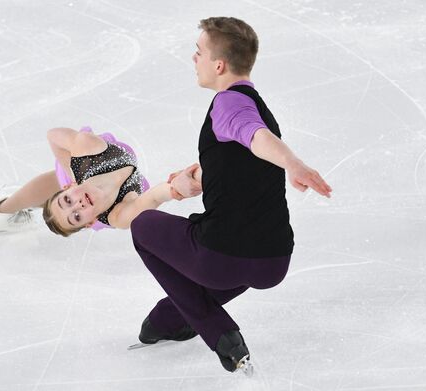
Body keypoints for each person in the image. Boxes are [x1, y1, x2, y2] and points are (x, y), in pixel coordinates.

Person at [129, 17, 333, 375]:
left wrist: (294, 164)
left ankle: (222, 336)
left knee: (143, 225)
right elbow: (244, 155)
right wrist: (200, 175)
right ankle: (166, 319)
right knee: (188, 297)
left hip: (223, 258)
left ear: (219, 64)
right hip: (273, 259)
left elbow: (254, 136)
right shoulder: (256, 105)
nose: (194, 59)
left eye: (199, 52)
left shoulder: (229, 104)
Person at [0, 126, 202, 236]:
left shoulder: (86, 150)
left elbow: (52, 135)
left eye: (67, 201)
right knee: (53, 193)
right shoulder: (118, 215)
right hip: (88, 185)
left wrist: (69, 168)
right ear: (90, 222)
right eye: (76, 216)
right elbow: (153, 197)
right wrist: (175, 188)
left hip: (81, 172)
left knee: (57, 180)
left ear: (69, 188)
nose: (78, 205)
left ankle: (5, 205)